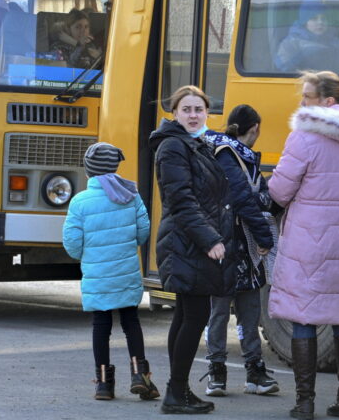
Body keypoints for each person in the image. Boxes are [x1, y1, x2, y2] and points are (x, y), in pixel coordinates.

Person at [267, 71, 339, 420]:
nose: (302, 103)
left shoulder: (304, 137)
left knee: (304, 317)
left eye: (308, 96)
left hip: (308, 241)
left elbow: (280, 191)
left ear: (328, 102)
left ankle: (305, 402)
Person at [149, 85, 236, 415]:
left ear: (207, 113)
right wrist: (210, 239)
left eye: (198, 109)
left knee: (186, 314)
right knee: (195, 315)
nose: (193, 114)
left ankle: (179, 389)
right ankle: (176, 392)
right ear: (174, 113)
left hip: (188, 241)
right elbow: (181, 201)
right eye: (186, 109)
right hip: (187, 243)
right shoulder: (173, 146)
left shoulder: (194, 145)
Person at [62, 142, 159, 402]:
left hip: (97, 273)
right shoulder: (131, 195)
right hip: (126, 270)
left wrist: (89, 255)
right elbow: (143, 231)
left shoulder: (80, 201)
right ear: (115, 166)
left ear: (88, 170)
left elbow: (72, 243)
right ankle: (141, 376)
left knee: (101, 325)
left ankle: (104, 384)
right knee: (131, 322)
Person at [202, 104, 280, 397]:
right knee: (230, 311)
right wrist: (264, 236)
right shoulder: (230, 154)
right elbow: (243, 199)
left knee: (236, 310)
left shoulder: (228, 151)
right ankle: (225, 372)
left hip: (231, 243)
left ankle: (244, 372)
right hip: (233, 242)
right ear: (255, 128)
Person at [274, 0, 339, 71]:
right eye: (314, 18)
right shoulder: (290, 43)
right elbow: (282, 68)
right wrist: (301, 55)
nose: (320, 22)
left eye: (323, 18)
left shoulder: (334, 41)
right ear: (305, 22)